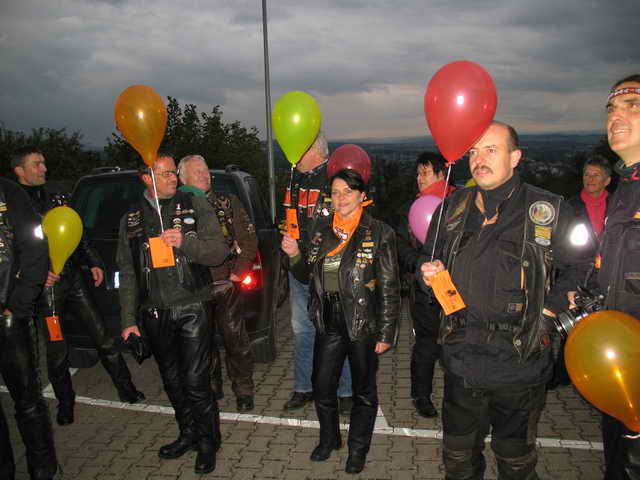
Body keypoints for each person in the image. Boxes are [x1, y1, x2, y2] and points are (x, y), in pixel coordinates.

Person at [419, 121, 594, 479]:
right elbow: (427, 260)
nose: (479, 159)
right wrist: (426, 274)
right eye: (473, 151)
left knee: (515, 462)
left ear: (515, 157)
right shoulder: (451, 208)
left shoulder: (549, 209)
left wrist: (548, 314)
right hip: (462, 361)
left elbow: (583, 268)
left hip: (520, 363)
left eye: (491, 150)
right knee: (458, 459)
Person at [12, 147, 144, 427]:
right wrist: (34, 275)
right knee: (57, 350)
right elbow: (11, 250)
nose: (44, 169)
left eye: (44, 162)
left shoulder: (56, 196)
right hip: (46, 290)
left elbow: (75, 231)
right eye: (36, 164)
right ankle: (65, 403)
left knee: (103, 336)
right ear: (19, 171)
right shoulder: (13, 205)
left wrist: (94, 261)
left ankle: (127, 388)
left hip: (73, 279)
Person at [118, 153, 229, 474]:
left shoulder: (194, 204)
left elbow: (219, 251)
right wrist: (128, 320)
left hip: (193, 305)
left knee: (196, 380)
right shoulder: (132, 218)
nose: (174, 179)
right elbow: (127, 271)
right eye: (166, 173)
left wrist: (185, 243)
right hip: (155, 311)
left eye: (173, 173)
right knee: (172, 381)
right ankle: (188, 433)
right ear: (146, 178)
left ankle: (208, 442)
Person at [282, 168, 399, 474]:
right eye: (335, 192)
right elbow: (306, 275)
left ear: (362, 196)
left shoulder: (380, 232)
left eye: (348, 191)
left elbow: (389, 287)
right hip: (328, 319)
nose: (341, 198)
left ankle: (357, 450)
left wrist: (386, 332)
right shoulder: (321, 230)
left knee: (363, 391)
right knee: (322, 385)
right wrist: (294, 254)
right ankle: (329, 438)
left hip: (362, 321)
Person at [177, 154, 257, 412]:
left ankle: (243, 390)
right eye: (197, 172)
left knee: (236, 340)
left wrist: (239, 272)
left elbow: (249, 240)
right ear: (183, 178)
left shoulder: (227, 202)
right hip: (193, 290)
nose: (205, 176)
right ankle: (212, 388)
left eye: (206, 171)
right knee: (203, 342)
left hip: (225, 284)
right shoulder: (175, 208)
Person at [280, 132, 353, 412]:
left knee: (336, 329)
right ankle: (304, 388)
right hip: (298, 264)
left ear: (315, 150)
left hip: (329, 266)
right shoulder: (294, 180)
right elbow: (287, 219)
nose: (294, 153)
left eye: (300, 147)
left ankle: (345, 392)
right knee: (303, 331)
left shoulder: (336, 178)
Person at [597, 73, 640, 480]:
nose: (616, 117)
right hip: (620, 366)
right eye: (611, 109)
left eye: (633, 106)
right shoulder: (625, 189)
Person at [0, 176, 57, 480]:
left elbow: (36, 246)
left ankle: (43, 468)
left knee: (27, 400)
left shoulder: (8, 192)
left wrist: (18, 305)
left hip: (9, 317)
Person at [394, 152, 454, 418]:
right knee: (426, 345)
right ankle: (421, 396)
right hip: (423, 290)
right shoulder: (410, 208)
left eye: (425, 173)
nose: (419, 178)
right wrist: (419, 265)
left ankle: (457, 396)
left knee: (455, 344)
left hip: (456, 287)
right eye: (417, 173)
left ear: (441, 174)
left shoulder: (461, 204)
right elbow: (400, 245)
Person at [567, 154, 612, 246]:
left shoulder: (617, 205)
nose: (590, 179)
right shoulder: (569, 207)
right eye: (587, 174)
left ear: (607, 181)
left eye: (596, 175)